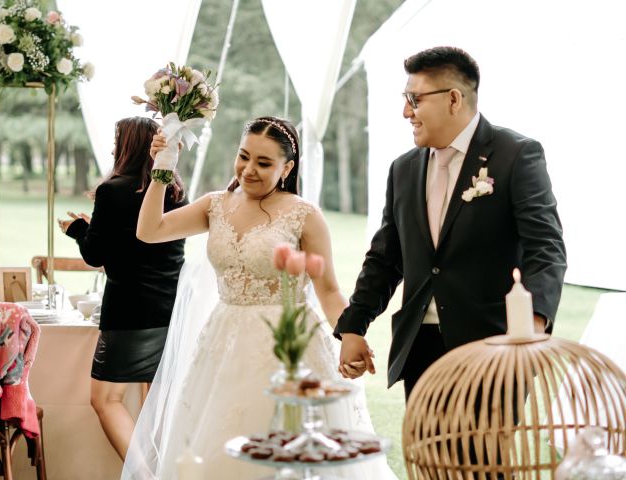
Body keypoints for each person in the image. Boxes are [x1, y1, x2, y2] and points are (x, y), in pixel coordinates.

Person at [121, 116, 397, 479]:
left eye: (263, 163)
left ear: (287, 168)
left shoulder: (304, 215)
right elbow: (150, 230)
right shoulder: (215, 205)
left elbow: (327, 288)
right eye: (244, 156)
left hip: (287, 346)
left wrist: (350, 334)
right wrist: (162, 169)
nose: (249, 170)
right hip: (223, 344)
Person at [334, 46, 567, 400]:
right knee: (426, 455)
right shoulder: (404, 169)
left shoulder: (516, 155)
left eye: (414, 98)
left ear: (454, 99)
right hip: (419, 350)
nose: (405, 111)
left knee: (486, 455)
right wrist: (354, 326)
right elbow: (386, 258)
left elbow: (546, 249)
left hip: (493, 348)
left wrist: (531, 327)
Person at [58, 116, 188, 460]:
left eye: (118, 142)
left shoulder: (112, 190)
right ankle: (160, 469)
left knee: (105, 400)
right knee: (154, 401)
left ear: (127, 146)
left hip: (130, 311)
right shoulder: (175, 191)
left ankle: (143, 474)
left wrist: (76, 229)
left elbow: (95, 254)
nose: (114, 148)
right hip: (171, 310)